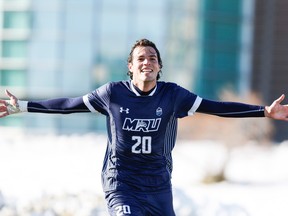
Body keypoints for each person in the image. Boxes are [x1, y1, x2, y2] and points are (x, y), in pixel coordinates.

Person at [0, 38, 288, 216]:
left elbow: (217, 107)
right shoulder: (112, 93)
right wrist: (22, 105)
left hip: (158, 185)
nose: (146, 62)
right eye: (141, 58)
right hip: (121, 182)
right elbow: (68, 105)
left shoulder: (174, 95)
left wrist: (263, 111)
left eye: (152, 58)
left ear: (159, 66)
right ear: (130, 67)